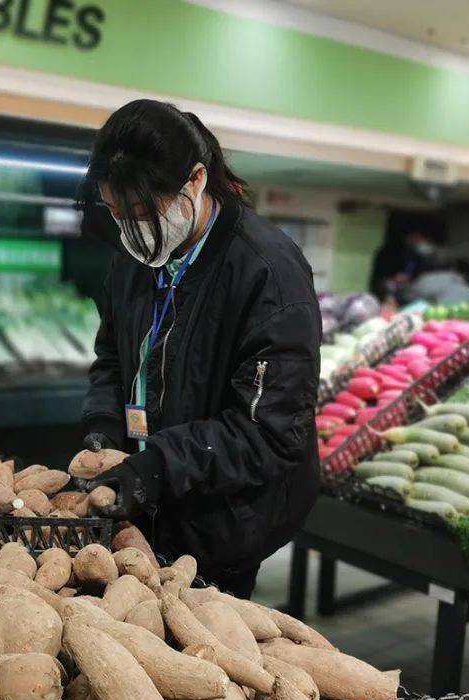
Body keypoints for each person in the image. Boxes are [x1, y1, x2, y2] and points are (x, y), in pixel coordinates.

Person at [76, 99, 321, 597]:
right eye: (118, 213)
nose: (132, 229)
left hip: (224, 516)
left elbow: (270, 430)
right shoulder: (136, 256)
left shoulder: (267, 271)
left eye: (144, 212)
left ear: (195, 180)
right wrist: (104, 428)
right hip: (150, 506)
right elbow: (113, 356)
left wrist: (159, 465)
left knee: (202, 643)